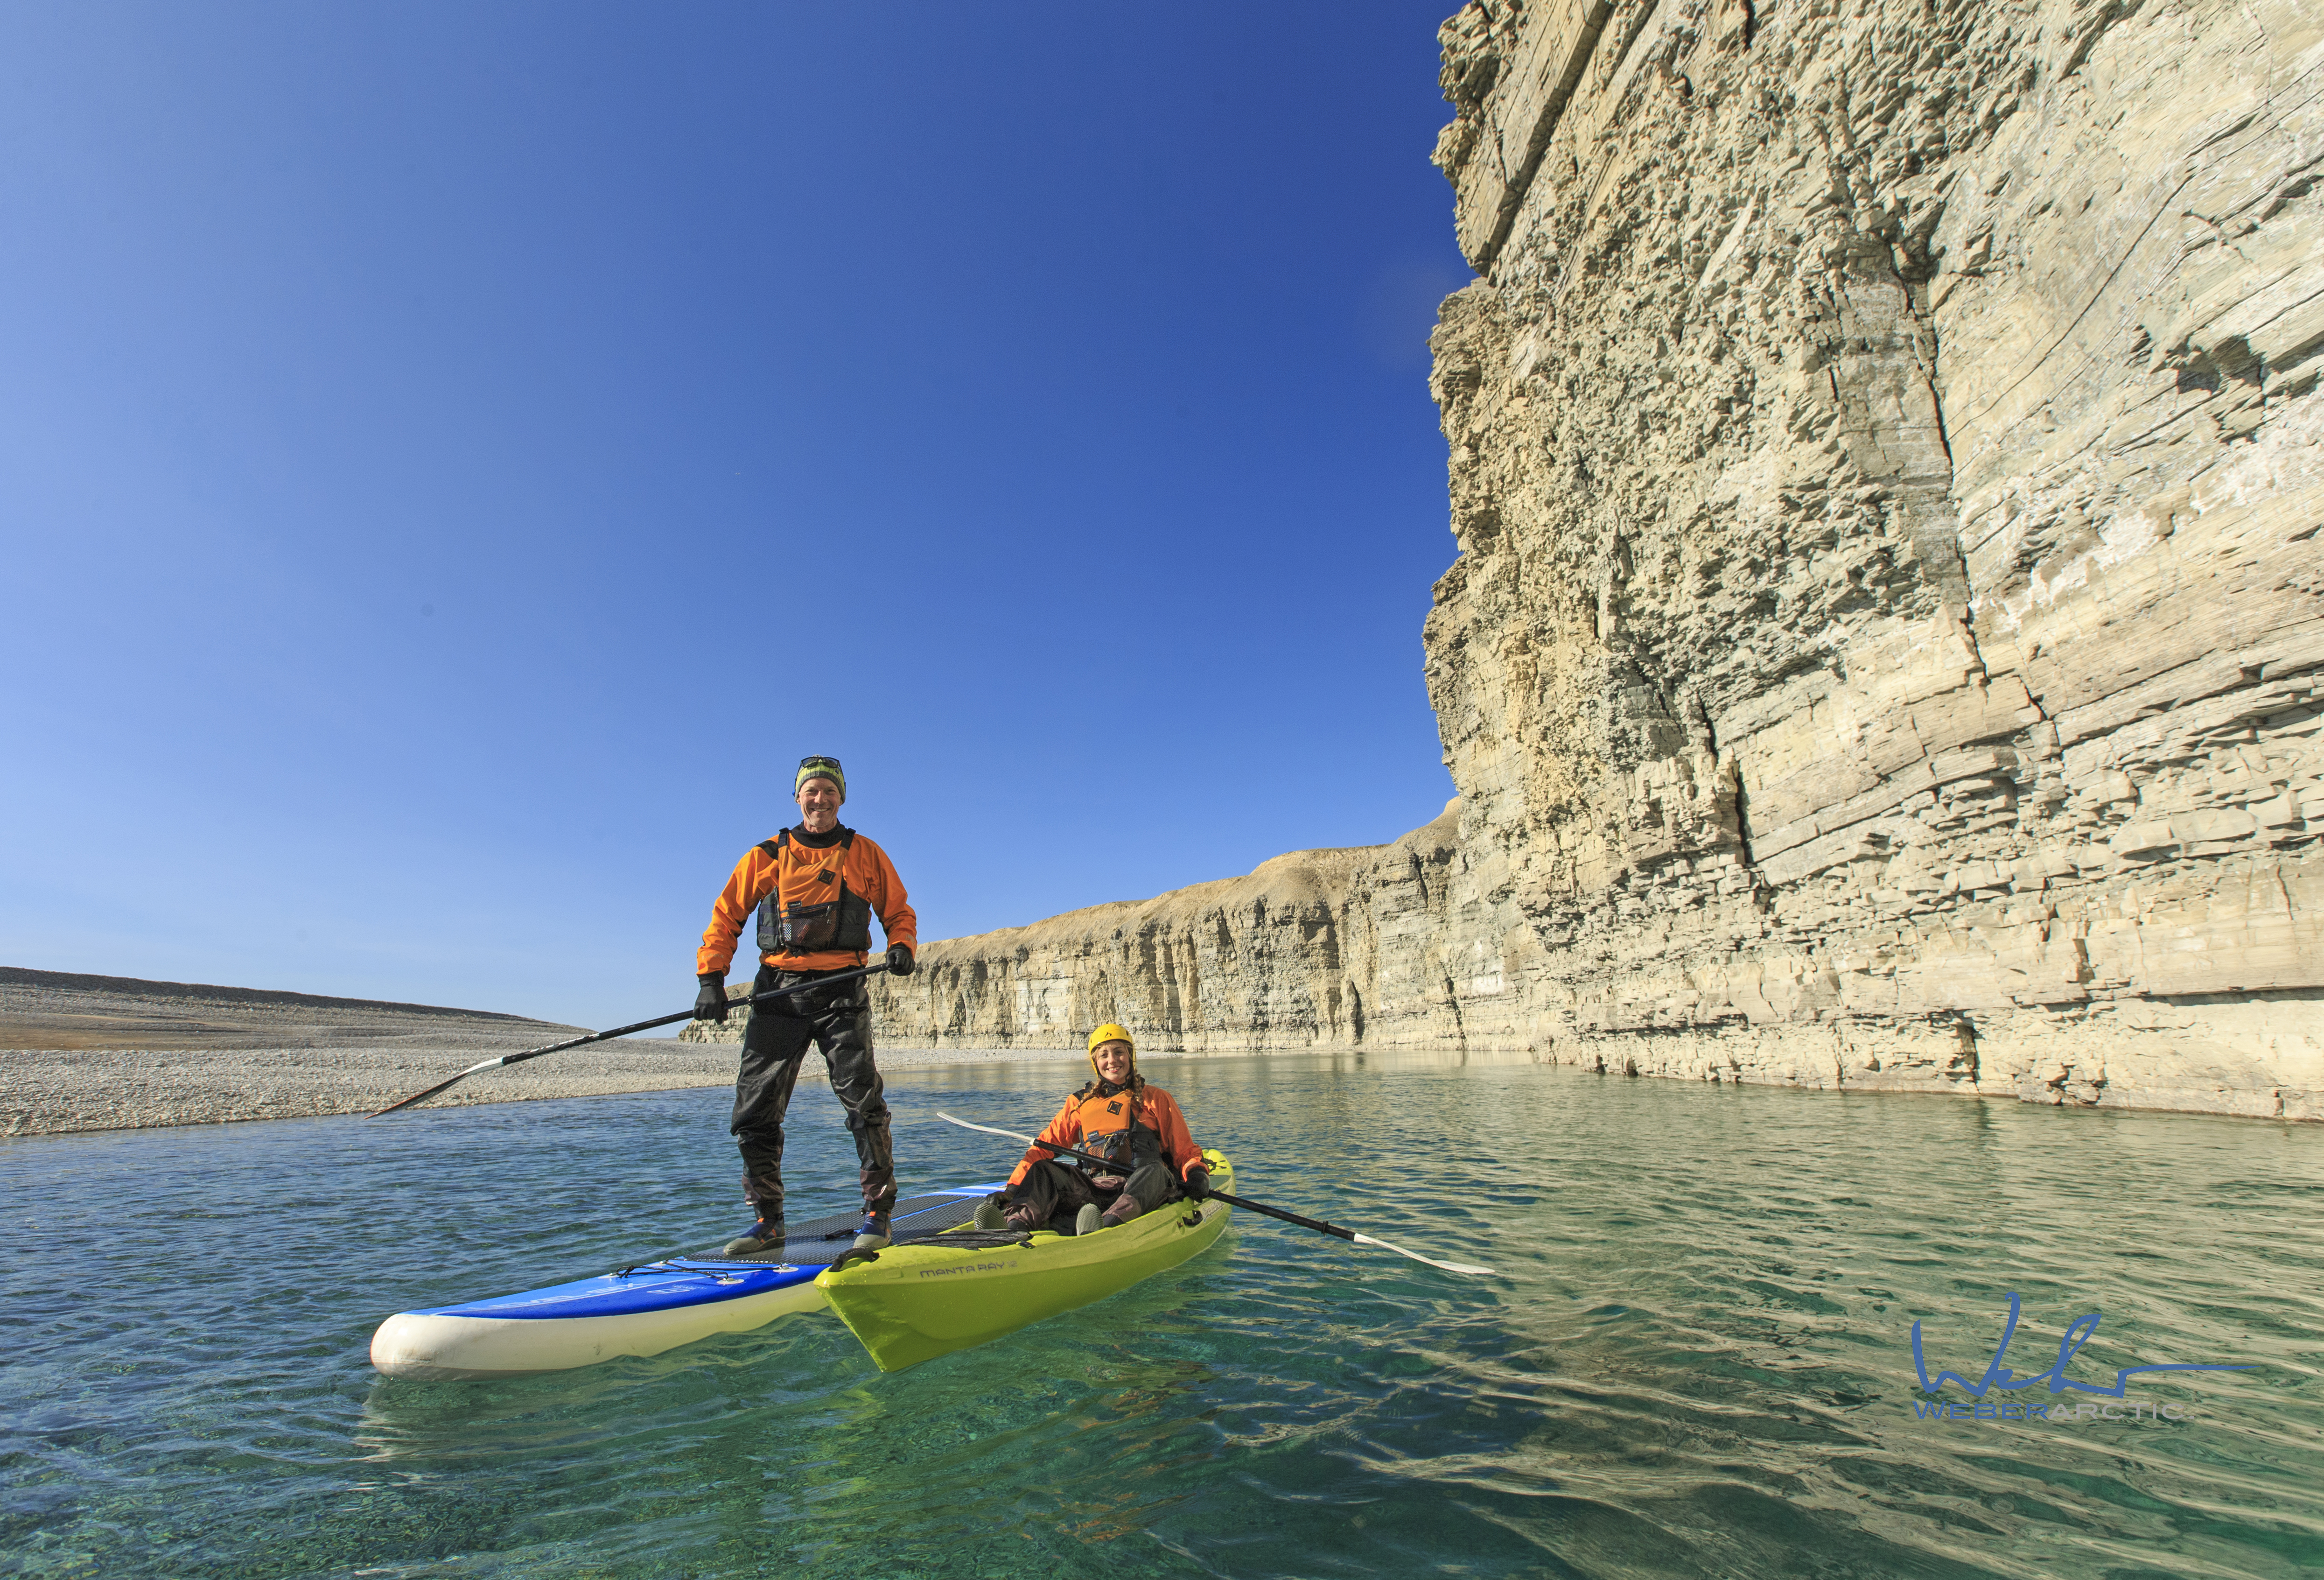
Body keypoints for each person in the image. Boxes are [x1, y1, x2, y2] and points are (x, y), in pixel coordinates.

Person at [692, 755, 917, 1255]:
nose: (820, 800)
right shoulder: (766, 856)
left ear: (842, 798)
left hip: (843, 989)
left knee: (865, 1105)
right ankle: (768, 1222)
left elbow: (899, 912)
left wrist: (902, 945)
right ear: (798, 797)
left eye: (829, 792)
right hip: (778, 991)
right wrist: (711, 978)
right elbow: (726, 915)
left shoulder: (866, 854)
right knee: (754, 1111)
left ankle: (878, 1216)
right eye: (811, 791)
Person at [975, 1023, 1212, 1236]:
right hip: (1094, 1189)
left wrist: (1197, 1174)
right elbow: (1042, 1148)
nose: (1113, 1061)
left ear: (1131, 1057)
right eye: (1104, 1055)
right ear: (1095, 1062)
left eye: (1119, 1052)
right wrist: (1012, 1189)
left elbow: (1185, 1151)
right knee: (1042, 1170)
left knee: (1156, 1171)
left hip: (1140, 1187)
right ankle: (1015, 1227)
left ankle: (1105, 1228)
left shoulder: (1155, 1099)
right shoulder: (1080, 1103)